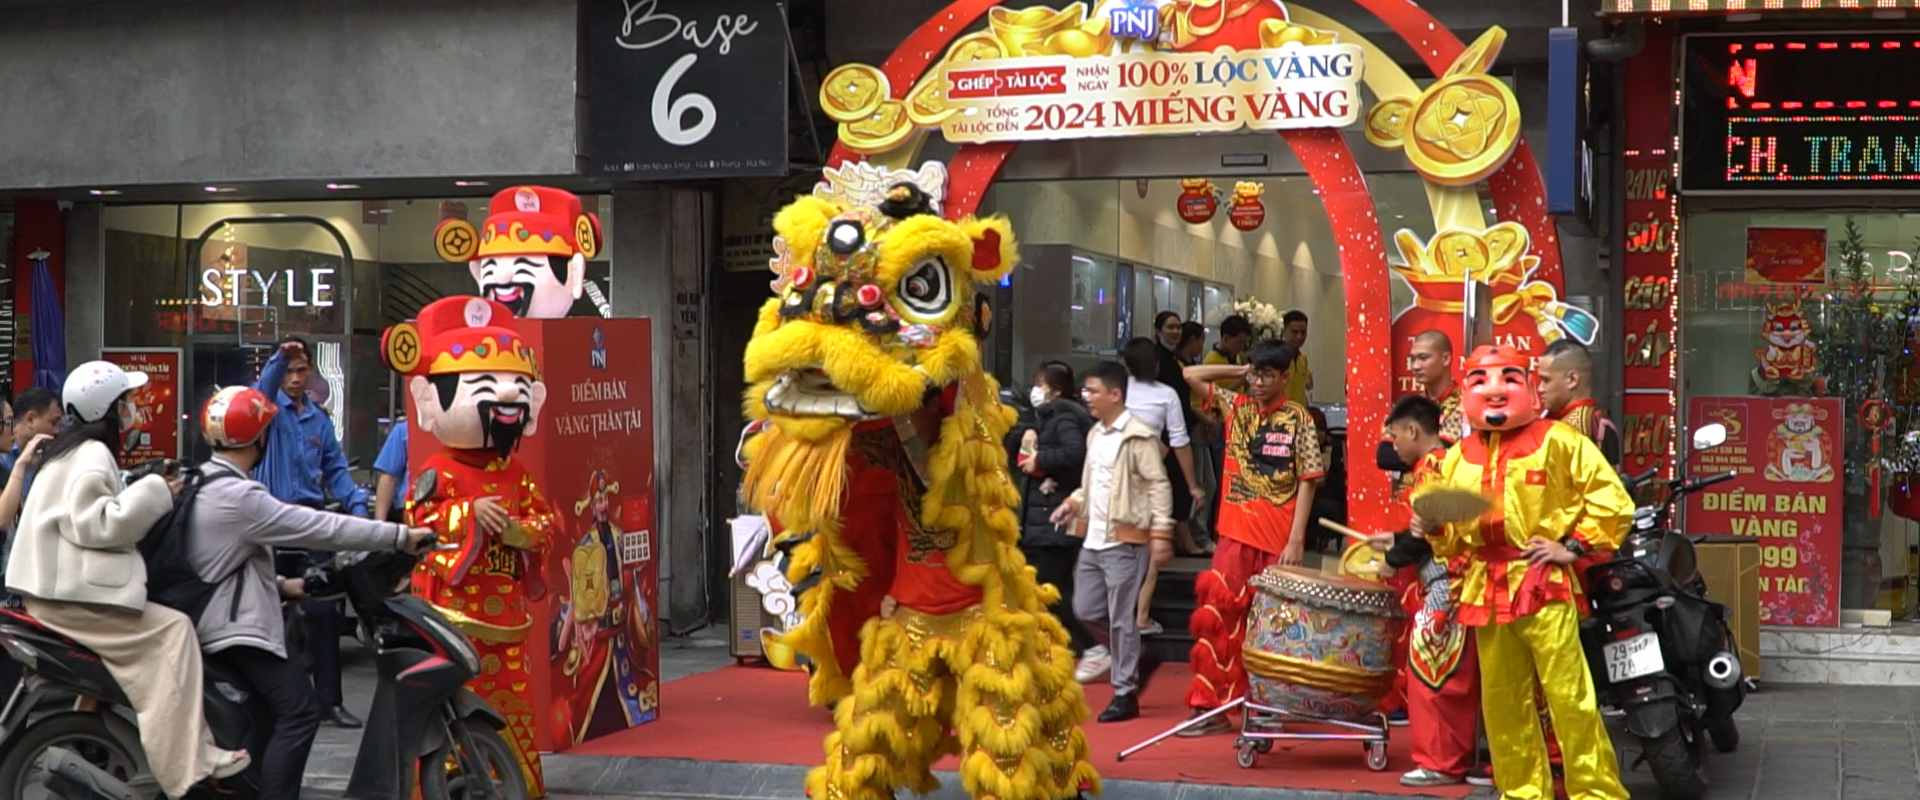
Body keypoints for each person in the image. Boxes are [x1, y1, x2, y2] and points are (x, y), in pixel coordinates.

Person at [6, 361, 251, 798]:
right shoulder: (91, 455)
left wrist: (141, 485)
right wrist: (157, 491)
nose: (132, 410)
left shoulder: (71, 451)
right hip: (69, 599)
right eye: (126, 402)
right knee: (174, 633)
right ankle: (188, 762)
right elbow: (99, 524)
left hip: (55, 592)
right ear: (107, 407)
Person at [186, 386, 435, 799]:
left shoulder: (203, 479)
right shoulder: (240, 496)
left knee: (267, 714)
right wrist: (399, 536)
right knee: (301, 712)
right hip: (234, 630)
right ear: (259, 438)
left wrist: (286, 586)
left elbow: (221, 561)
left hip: (214, 618)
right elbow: (318, 527)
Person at [1409, 345, 1630, 800]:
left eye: (1508, 379)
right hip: (1486, 588)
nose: (1495, 391)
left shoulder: (1559, 440)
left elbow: (1612, 502)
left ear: (1528, 386)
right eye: (1481, 381)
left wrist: (1573, 546)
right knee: (1504, 703)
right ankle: (1522, 793)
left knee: (1570, 697)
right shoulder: (1457, 457)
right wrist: (1431, 527)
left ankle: (1597, 793)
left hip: (1542, 583)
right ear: (1466, 391)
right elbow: (1450, 538)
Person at [1178, 341, 1325, 736]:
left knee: (1274, 627)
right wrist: (1241, 372)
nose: (1259, 383)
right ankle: (1209, 707)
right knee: (1217, 621)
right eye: (1256, 375)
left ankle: (1266, 706)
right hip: (1234, 535)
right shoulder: (1236, 405)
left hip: (1278, 539)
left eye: (1267, 375)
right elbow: (1190, 375)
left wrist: (1296, 540)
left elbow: (1308, 481)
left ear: (1285, 378)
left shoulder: (1298, 418)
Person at [1367, 395, 1485, 787]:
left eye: (1396, 436)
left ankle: (1441, 762)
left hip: (1447, 582)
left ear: (1413, 431)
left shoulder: (1433, 466)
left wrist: (1392, 559)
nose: (1394, 445)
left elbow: (1428, 535)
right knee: (1451, 671)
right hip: (1455, 580)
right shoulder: (1444, 462)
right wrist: (1396, 539)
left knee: (1434, 672)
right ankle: (1457, 757)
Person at [254, 336, 370, 729]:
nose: (295, 378)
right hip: (271, 522)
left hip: (311, 522)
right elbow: (264, 387)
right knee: (270, 619)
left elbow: (336, 469)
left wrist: (356, 508)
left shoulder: (318, 418)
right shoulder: (265, 410)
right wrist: (280, 356)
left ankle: (329, 703)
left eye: (301, 370)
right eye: (289, 371)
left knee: (324, 615)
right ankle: (274, 704)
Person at [1051, 361, 1172, 723]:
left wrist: (1161, 532)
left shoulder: (1138, 436)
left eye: (1093, 391)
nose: (1086, 396)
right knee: (1085, 609)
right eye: (1086, 390)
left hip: (1125, 538)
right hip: (1093, 538)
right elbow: (1091, 485)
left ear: (1115, 394)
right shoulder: (1095, 434)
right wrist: (1072, 503)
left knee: (1121, 619)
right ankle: (1134, 653)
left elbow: (1158, 484)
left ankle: (1124, 692)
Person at [1009, 361, 1094, 659]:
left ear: (1055, 390)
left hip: (1054, 517)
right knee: (1051, 587)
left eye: (1039, 385)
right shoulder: (1045, 417)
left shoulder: (1063, 416)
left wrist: (1041, 459)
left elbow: (1074, 452)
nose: (1035, 390)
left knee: (1053, 589)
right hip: (1041, 516)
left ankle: (1090, 645)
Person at [1121, 338, 1204, 638]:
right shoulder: (1166, 394)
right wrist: (1193, 485)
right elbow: (1180, 442)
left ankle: (1120, 614)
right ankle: (1141, 617)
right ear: (1156, 364)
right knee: (1150, 551)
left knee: (1120, 549)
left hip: (1118, 480)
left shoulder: (1117, 390)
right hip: (1150, 478)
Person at [1540, 340, 1622, 467]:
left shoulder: (1587, 428)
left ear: (1572, 380)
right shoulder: (1599, 424)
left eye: (1546, 380)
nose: (1540, 388)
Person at [1407, 330, 1463, 443]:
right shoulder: (1410, 408)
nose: (1415, 366)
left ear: (1446, 359)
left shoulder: (1466, 405)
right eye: (1412, 359)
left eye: (1423, 358)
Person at [372, 420, 410, 523]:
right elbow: (388, 478)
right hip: (408, 510)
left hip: (410, 508)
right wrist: (380, 525)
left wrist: (379, 524)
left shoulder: (404, 429)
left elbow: (388, 478)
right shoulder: (404, 430)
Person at [1203, 315, 1254, 391]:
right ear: (1226, 339)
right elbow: (1212, 395)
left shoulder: (1235, 355)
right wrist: (1239, 382)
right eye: (1240, 342)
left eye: (1245, 343)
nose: (1242, 347)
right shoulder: (1211, 362)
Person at [1280, 310, 1314, 407]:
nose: (1299, 337)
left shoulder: (1303, 359)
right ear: (1284, 331)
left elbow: (1307, 387)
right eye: (1294, 332)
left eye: (1303, 332)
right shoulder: (1277, 359)